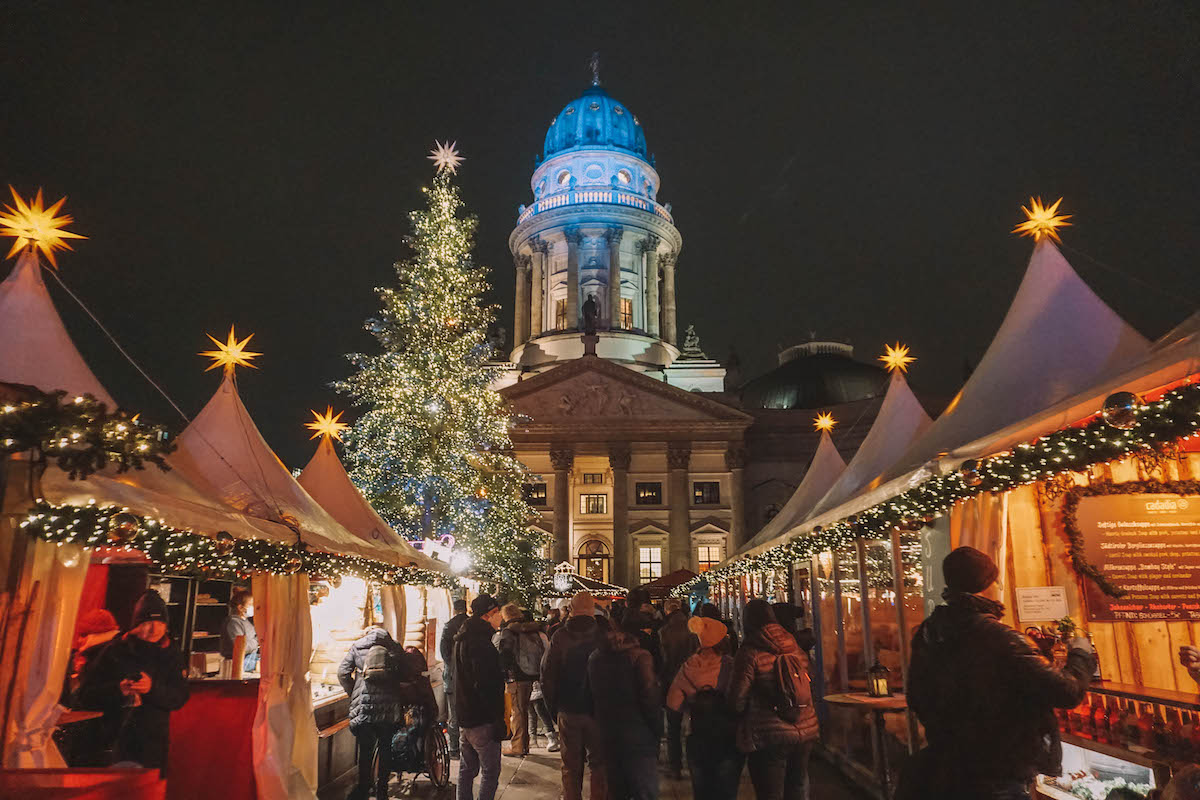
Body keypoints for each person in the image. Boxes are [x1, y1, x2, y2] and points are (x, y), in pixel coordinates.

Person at [901, 546, 1095, 800]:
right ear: (986, 586)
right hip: (998, 773)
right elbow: (1067, 691)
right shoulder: (1002, 638)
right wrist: (1081, 653)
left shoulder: (930, 631)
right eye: (995, 579)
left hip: (949, 766)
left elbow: (916, 696)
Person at [75, 590, 190, 773]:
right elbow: (85, 695)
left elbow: (180, 696)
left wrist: (152, 689)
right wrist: (119, 690)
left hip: (152, 745)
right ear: (136, 626)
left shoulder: (172, 654)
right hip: (111, 742)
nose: (154, 629)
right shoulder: (115, 651)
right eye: (147, 623)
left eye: (160, 623)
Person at [729, 599, 818, 800]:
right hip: (804, 730)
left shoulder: (750, 651)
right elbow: (809, 681)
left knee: (770, 793)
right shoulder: (795, 646)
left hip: (768, 734)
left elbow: (737, 699)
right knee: (796, 787)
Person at [541, 590, 609, 800]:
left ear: (571, 609)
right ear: (592, 609)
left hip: (568, 709)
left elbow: (547, 676)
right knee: (599, 765)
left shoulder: (560, 636)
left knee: (570, 766)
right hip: (598, 710)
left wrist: (554, 709)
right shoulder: (603, 635)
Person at [667, 616, 743, 800]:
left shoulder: (688, 667)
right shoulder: (731, 666)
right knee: (727, 792)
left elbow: (673, 703)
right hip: (728, 738)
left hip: (699, 738)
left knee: (702, 792)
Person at [588, 612, 661, 800]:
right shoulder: (640, 657)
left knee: (616, 789)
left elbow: (592, 695)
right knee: (645, 791)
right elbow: (649, 696)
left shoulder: (595, 658)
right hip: (639, 732)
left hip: (608, 732)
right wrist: (657, 728)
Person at [338, 623, 408, 800]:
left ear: (367, 633)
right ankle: (382, 791)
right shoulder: (394, 647)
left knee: (365, 751)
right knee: (385, 749)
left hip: (364, 707)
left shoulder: (358, 646)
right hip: (389, 708)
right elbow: (406, 674)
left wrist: (354, 691)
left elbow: (342, 673)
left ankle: (363, 789)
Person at [454, 594, 505, 800]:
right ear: (488, 614)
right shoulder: (481, 644)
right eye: (497, 612)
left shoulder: (464, 638)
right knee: (490, 772)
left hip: (466, 715)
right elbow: (484, 684)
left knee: (467, 770)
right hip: (482, 718)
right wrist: (495, 718)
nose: (500, 617)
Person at [496, 603, 548, 757]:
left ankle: (517, 746)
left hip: (517, 676)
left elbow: (505, 655)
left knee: (517, 712)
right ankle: (524, 745)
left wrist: (507, 676)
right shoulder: (530, 629)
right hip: (530, 675)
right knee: (523, 710)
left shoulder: (509, 631)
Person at [658, 597, 697, 779]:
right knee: (694, 724)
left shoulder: (663, 631)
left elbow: (662, 661)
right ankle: (694, 762)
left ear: (667, 611)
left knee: (673, 726)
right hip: (693, 681)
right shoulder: (693, 630)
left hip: (672, 682)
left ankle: (676, 766)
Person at [441, 598, 469, 759]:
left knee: (454, 714)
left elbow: (444, 653)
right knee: (468, 712)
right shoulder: (470, 624)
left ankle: (454, 748)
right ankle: (468, 746)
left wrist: (451, 666)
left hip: (452, 678)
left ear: (454, 609)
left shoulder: (448, 626)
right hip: (468, 677)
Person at [220, 586, 259, 674]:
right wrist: (256, 642)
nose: (253, 607)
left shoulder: (247, 622)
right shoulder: (234, 623)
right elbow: (240, 646)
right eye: (250, 605)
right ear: (240, 607)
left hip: (249, 664)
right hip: (237, 665)